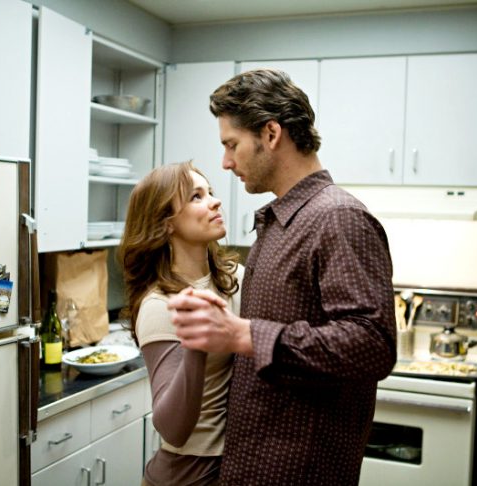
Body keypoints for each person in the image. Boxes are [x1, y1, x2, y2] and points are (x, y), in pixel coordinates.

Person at [168, 69, 397, 485]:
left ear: (271, 134)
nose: (226, 161)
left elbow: (373, 344)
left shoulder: (337, 218)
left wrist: (244, 335)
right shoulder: (283, 221)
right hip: (255, 465)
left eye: (232, 144)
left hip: (298, 471)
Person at [117, 161, 243, 486]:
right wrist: (196, 347)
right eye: (196, 197)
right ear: (167, 223)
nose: (214, 201)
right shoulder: (160, 305)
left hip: (233, 464)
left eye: (210, 192)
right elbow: (172, 428)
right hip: (187, 472)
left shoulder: (235, 279)